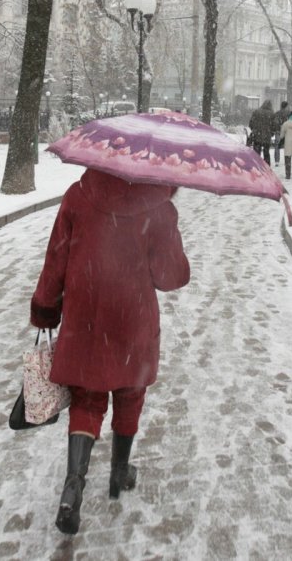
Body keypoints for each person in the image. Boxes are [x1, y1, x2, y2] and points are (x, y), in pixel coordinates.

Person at [30, 168, 191, 535]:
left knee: (87, 399)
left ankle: (74, 482)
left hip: (85, 313)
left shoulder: (78, 195)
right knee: (130, 391)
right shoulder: (158, 207)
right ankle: (119, 472)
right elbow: (170, 277)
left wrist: (44, 307)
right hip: (132, 316)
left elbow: (56, 260)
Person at [248, 101, 275, 165]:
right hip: (267, 136)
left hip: (257, 135)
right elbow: (274, 126)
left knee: (256, 153)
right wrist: (271, 133)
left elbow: (251, 123)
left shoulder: (256, 112)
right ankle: (267, 167)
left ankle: (256, 166)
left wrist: (254, 129)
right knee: (266, 153)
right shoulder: (272, 114)